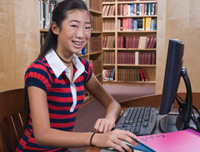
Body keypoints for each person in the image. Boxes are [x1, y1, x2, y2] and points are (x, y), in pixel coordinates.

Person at [16, 0, 137, 151]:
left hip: (64, 148)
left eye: (87, 27)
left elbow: (113, 104)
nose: (81, 35)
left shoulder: (82, 68)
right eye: (74, 26)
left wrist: (109, 119)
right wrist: (94, 138)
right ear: (55, 28)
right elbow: (42, 135)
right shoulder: (39, 72)